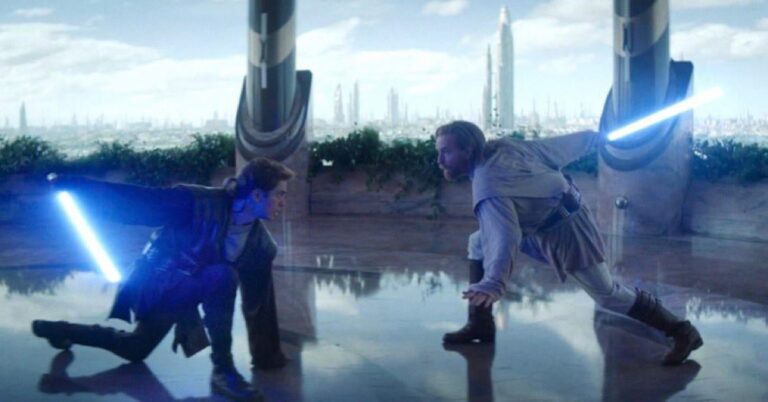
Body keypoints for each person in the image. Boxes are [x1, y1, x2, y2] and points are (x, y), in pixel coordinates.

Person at [436, 120, 702, 366]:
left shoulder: (489, 186)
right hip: (550, 218)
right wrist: (595, 138)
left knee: (607, 294)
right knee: (477, 242)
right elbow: (557, 148)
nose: (439, 160)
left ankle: (681, 331)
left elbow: (504, 237)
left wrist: (493, 282)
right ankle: (480, 323)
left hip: (567, 230)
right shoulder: (504, 148)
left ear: (468, 150)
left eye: (446, 152)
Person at [32, 157, 295, 401]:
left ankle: (223, 370)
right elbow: (137, 202)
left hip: (192, 289)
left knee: (220, 276)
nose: (283, 203)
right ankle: (62, 330)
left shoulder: (261, 246)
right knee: (136, 348)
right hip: (162, 281)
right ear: (257, 195)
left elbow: (260, 304)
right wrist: (77, 187)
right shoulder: (197, 203)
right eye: (280, 195)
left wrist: (267, 357)